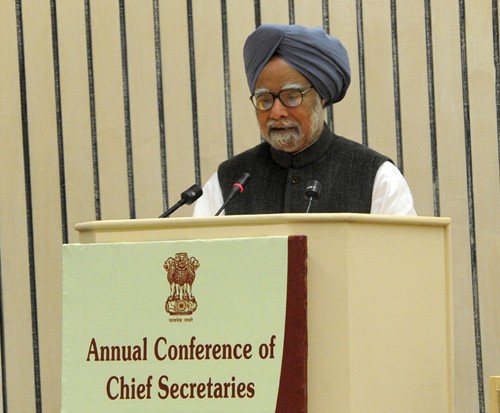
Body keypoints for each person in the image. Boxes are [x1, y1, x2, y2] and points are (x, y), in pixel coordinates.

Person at [193, 24, 416, 216]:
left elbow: (404, 260)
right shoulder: (228, 183)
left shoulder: (376, 177)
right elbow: (201, 257)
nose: (276, 112)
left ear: (322, 97)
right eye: (264, 99)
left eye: (291, 97)